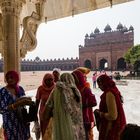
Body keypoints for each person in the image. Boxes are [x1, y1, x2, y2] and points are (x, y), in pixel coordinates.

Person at [42, 72, 86, 140]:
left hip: (61, 128)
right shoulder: (76, 91)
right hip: (76, 128)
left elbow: (46, 113)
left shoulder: (56, 90)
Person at [0, 70, 32, 140]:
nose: (9, 80)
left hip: (22, 121)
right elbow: (2, 110)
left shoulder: (20, 89)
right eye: (7, 78)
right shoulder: (3, 91)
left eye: (12, 77)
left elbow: (23, 106)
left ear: (16, 78)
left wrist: (27, 101)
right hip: (10, 123)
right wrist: (16, 105)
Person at [94, 74, 126, 140]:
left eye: (100, 84)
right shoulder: (114, 90)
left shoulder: (109, 93)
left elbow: (113, 116)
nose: (99, 87)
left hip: (111, 127)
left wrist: (100, 113)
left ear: (104, 83)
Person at [72, 70, 97, 140]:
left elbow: (94, 102)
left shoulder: (86, 89)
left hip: (84, 117)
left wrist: (83, 105)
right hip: (75, 117)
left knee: (85, 135)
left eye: (74, 78)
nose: (73, 80)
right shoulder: (73, 89)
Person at [35, 73, 55, 139]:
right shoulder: (40, 88)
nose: (49, 81)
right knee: (44, 130)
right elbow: (37, 101)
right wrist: (35, 115)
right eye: (47, 80)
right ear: (44, 80)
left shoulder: (56, 88)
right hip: (43, 113)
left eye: (51, 79)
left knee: (53, 131)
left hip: (54, 113)